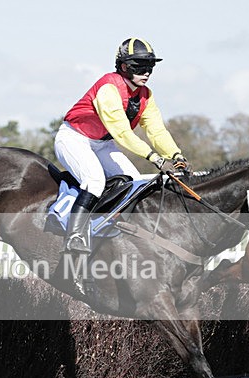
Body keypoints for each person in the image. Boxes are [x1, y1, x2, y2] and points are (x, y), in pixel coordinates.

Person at [54, 37, 191, 255]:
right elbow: (122, 133)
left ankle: (117, 234)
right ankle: (75, 235)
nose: (146, 73)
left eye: (150, 67)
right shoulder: (109, 88)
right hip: (74, 138)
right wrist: (156, 159)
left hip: (102, 144)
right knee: (95, 181)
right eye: (141, 67)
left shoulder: (146, 95)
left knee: (136, 185)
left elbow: (156, 131)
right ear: (125, 67)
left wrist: (175, 155)